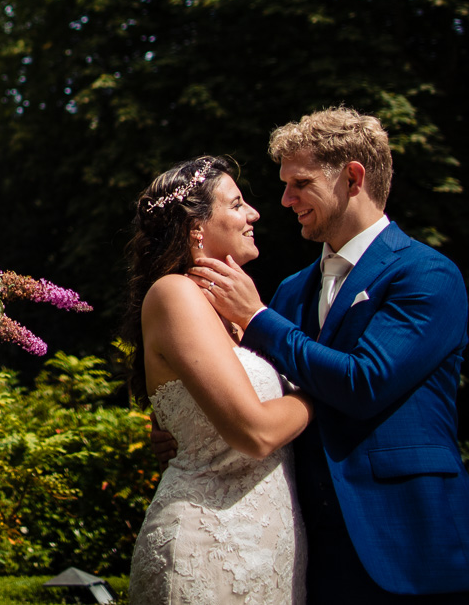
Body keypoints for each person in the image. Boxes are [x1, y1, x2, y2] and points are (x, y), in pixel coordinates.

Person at [186, 108, 469, 604]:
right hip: (319, 555)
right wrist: (188, 430)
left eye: (300, 183)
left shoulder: (426, 275)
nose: (286, 200)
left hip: (417, 545)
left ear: (353, 177)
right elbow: (254, 390)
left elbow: (366, 384)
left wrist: (258, 319)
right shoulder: (292, 290)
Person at [124, 155, 312, 605]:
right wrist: (328, 385)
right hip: (207, 547)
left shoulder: (237, 312)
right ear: (196, 228)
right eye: (237, 203)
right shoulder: (174, 294)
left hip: (269, 546)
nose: (254, 214)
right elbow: (257, 430)